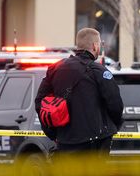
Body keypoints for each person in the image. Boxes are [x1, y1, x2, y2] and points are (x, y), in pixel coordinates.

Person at [36, 27, 123, 156]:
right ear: (94, 46)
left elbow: (40, 102)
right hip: (95, 143)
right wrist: (111, 128)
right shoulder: (99, 71)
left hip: (65, 141)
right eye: (99, 44)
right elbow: (115, 105)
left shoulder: (56, 68)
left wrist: (53, 133)